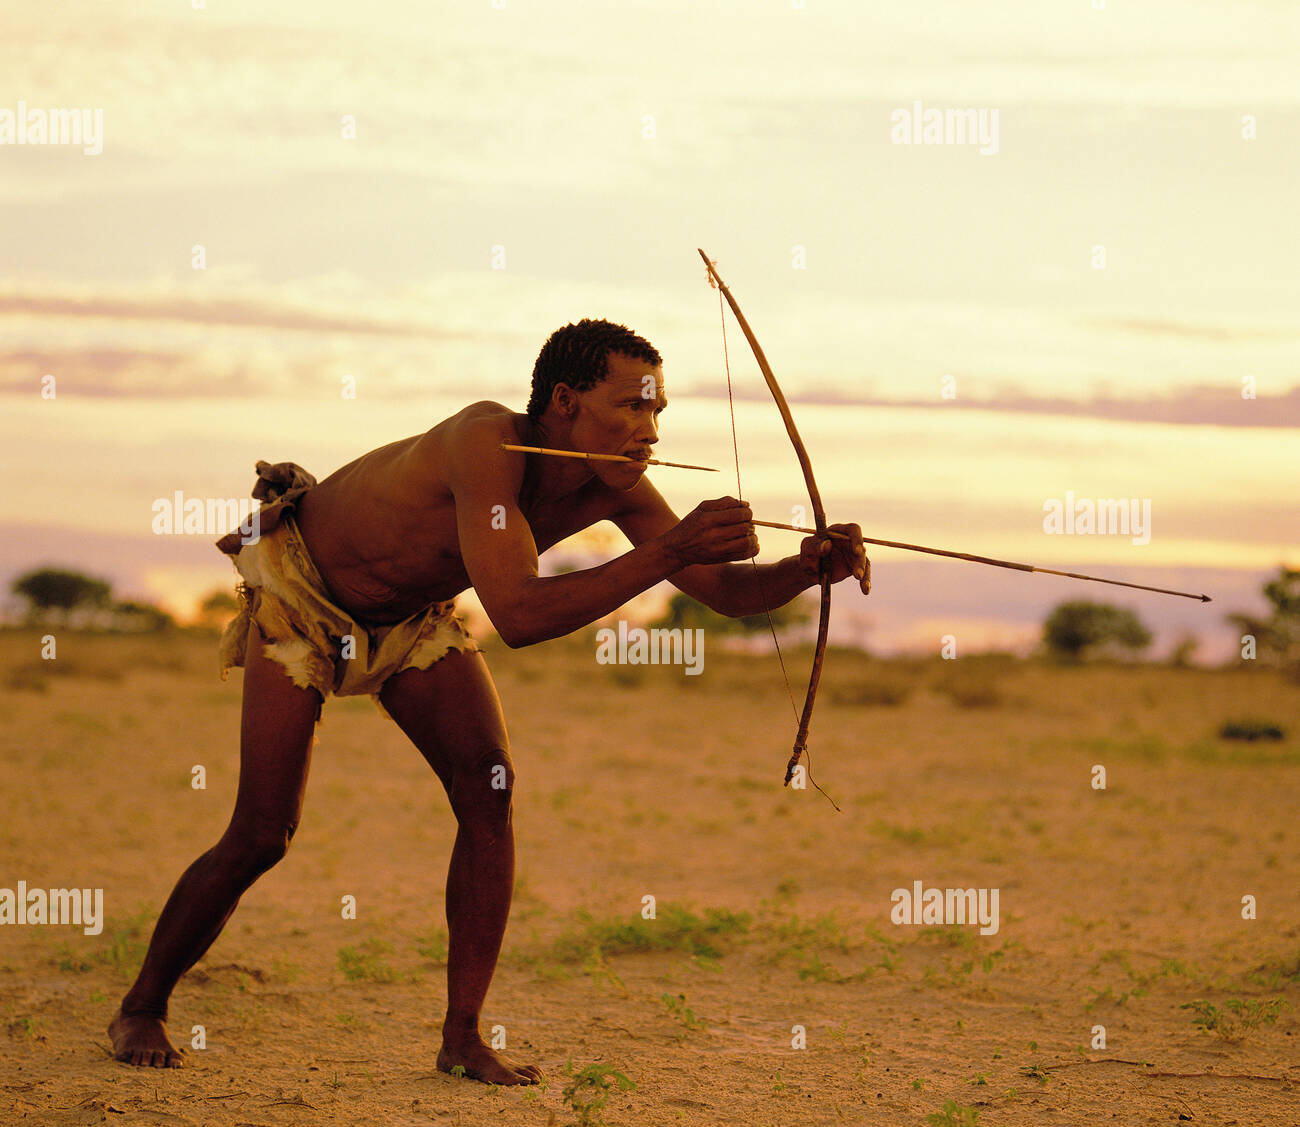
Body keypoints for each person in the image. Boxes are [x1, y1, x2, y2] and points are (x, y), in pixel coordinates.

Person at [108, 318, 867, 1082]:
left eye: (658, 412)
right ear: (566, 402)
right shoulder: (485, 446)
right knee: (264, 832)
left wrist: (807, 569)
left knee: (488, 787)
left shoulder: (620, 488)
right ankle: (142, 1004)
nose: (649, 430)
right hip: (303, 594)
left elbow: (728, 595)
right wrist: (671, 549)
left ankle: (462, 1037)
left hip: (411, 620)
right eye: (630, 408)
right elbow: (519, 614)